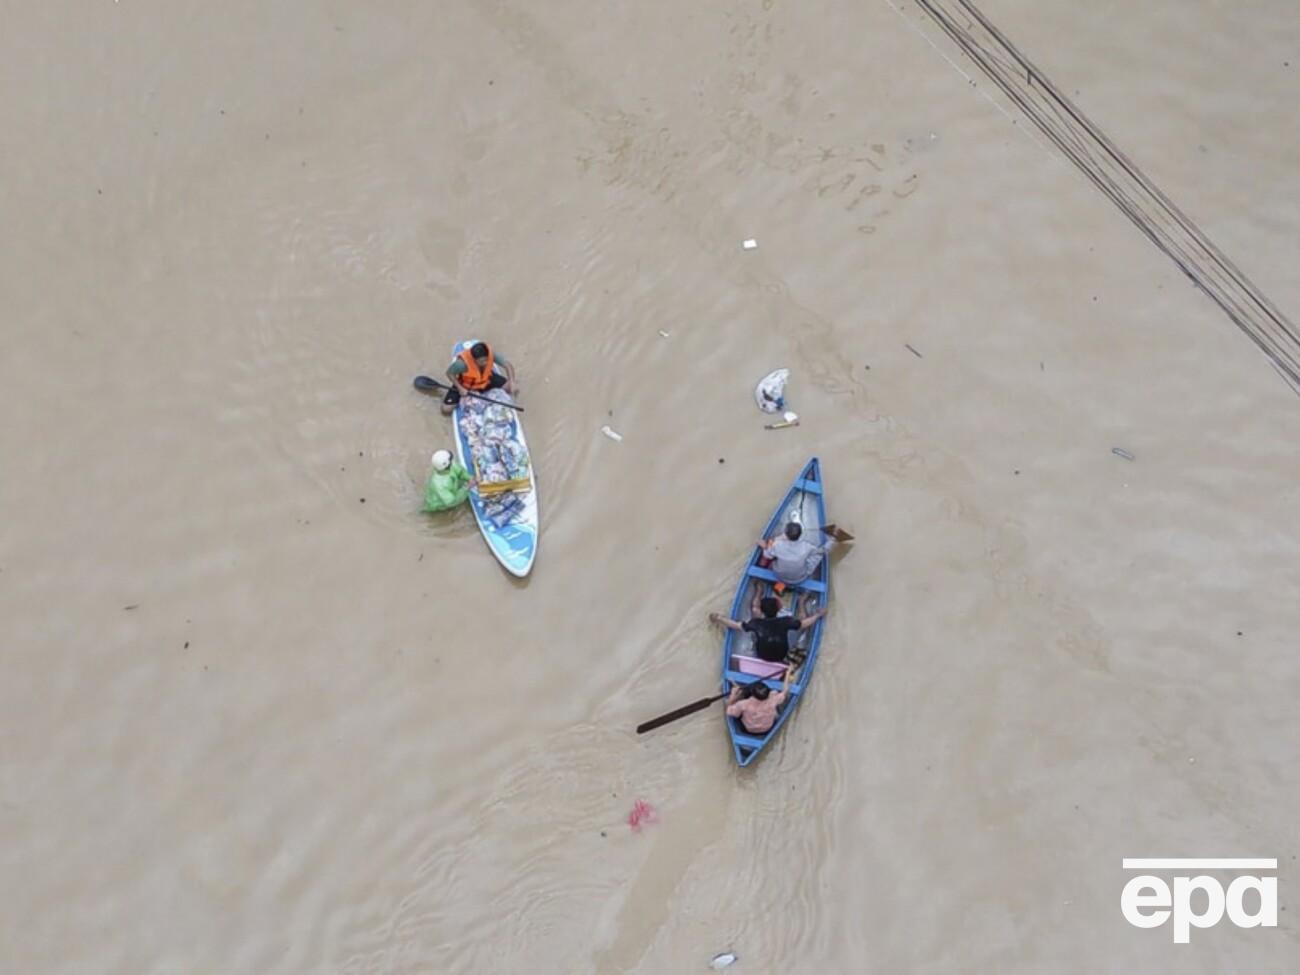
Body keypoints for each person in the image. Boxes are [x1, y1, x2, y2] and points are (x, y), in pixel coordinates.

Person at [710, 587, 828, 662]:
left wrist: (719, 618)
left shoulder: (756, 623)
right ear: (777, 611)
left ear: (762, 612)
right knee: (801, 623)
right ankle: (801, 602)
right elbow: (803, 624)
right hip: (782, 655)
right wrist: (817, 616)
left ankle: (758, 590)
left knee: (753, 626)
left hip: (762, 655)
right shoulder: (785, 621)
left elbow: (735, 625)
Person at [759, 520, 846, 589]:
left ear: (786, 534)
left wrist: (765, 546)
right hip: (800, 579)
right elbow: (823, 550)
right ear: (800, 535)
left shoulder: (777, 544)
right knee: (819, 553)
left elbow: (767, 555)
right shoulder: (807, 547)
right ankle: (834, 539)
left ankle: (780, 587)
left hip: (779, 576)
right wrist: (832, 539)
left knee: (772, 556)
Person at [440, 341, 518, 415]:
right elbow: (449, 373)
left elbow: (508, 365)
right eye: (482, 361)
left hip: (486, 380)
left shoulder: (491, 354)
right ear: (474, 360)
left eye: (486, 360)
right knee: (446, 409)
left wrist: (512, 381)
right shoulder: (461, 364)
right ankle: (465, 400)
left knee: (512, 388)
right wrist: (460, 388)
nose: (485, 363)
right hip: (466, 385)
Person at [725, 665, 794, 735]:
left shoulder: (744, 704)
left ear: (752, 694)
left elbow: (728, 710)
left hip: (748, 728)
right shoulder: (773, 700)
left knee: (737, 706)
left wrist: (733, 696)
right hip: (767, 728)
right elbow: (785, 691)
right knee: (776, 696)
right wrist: (788, 673)